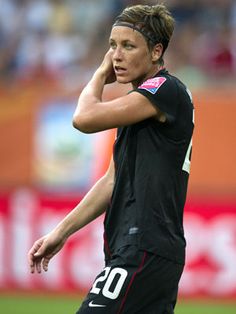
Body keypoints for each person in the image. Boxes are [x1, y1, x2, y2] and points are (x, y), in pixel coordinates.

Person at [28, 3, 194, 314]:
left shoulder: (164, 89)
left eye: (128, 46)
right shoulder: (141, 106)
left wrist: (100, 73)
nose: (116, 55)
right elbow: (112, 181)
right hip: (144, 250)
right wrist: (59, 233)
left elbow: (84, 118)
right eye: (112, 46)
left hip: (142, 248)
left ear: (157, 52)